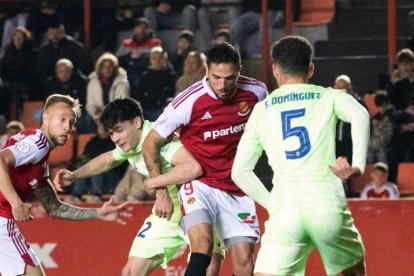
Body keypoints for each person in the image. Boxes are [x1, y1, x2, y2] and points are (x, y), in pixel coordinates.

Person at [231, 36, 370, 275]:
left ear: (275, 69)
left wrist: (272, 204)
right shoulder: (328, 96)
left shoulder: (262, 109)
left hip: (286, 211)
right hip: (326, 206)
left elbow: (239, 172)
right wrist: (357, 164)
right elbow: (360, 115)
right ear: (311, 68)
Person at [53, 97, 223, 275]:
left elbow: (192, 168)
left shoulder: (160, 139)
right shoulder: (131, 142)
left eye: (119, 130)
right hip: (167, 214)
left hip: (198, 207)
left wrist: (154, 182)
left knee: (208, 270)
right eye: (111, 133)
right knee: (131, 272)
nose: (116, 139)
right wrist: (74, 176)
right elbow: (109, 159)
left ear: (137, 122)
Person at [143, 42, 268, 275]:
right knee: (203, 247)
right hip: (200, 183)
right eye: (216, 77)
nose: (222, 85)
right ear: (207, 71)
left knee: (244, 263)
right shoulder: (188, 101)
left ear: (239, 70)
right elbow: (150, 142)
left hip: (237, 186)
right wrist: (161, 190)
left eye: (229, 78)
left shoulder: (257, 93)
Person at [0, 94, 131, 276]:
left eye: (71, 122)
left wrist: (98, 212)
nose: (67, 127)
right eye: (61, 119)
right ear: (45, 117)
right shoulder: (38, 144)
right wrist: (16, 203)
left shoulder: (39, 164)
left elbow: (55, 208)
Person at [43, 58, 95, 133]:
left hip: (75, 112)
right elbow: (49, 102)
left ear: (71, 72)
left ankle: (84, 141)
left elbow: (82, 102)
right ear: (56, 71)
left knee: (85, 119)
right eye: (61, 71)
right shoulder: (49, 84)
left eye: (67, 71)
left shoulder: (81, 82)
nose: (64, 74)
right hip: (56, 112)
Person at [134, 46, 176, 121]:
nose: (157, 61)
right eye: (154, 58)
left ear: (165, 59)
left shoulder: (171, 75)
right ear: (150, 60)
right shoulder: (144, 76)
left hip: (164, 110)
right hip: (146, 110)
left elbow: (171, 93)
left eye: (160, 58)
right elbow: (138, 95)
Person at [86, 52, 130, 123]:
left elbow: (123, 105)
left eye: (110, 66)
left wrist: (108, 113)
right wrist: (96, 114)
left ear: (114, 68)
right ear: (100, 68)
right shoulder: (93, 82)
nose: (107, 69)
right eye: (104, 66)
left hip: (116, 115)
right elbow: (90, 105)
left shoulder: (122, 82)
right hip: (99, 115)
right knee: (88, 119)